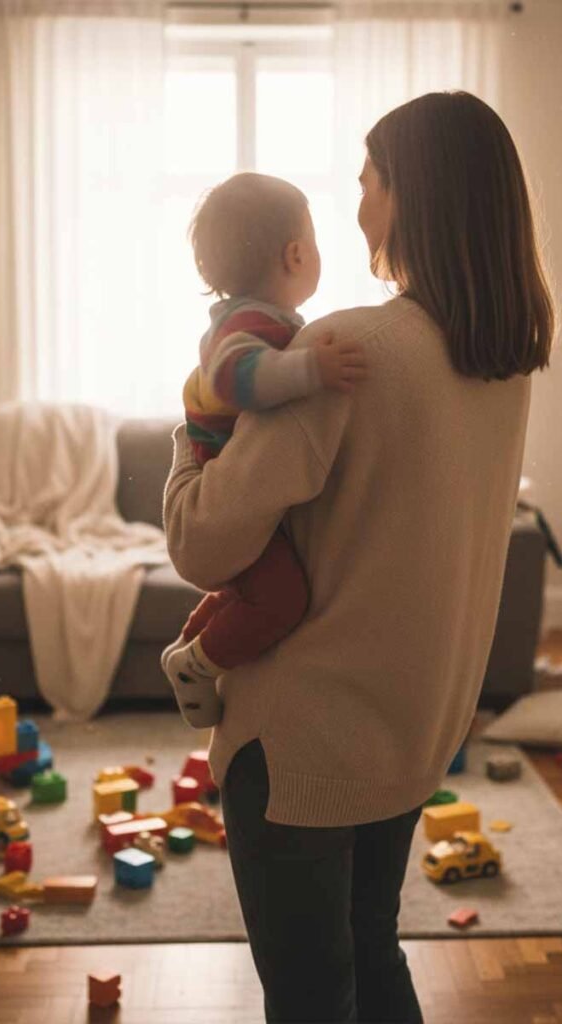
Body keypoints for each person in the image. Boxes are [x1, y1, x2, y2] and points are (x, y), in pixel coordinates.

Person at [163, 90, 555, 1023]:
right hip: (412, 728)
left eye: (369, 179)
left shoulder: (352, 350)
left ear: (412, 195)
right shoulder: (502, 363)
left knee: (308, 994)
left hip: (306, 739)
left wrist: (189, 430)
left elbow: (201, 540)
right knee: (370, 955)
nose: (356, 202)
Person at [160, 172, 368, 728]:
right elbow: (234, 377)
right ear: (297, 255)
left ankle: (194, 641)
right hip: (222, 482)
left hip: (240, 487)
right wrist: (311, 369)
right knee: (281, 600)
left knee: (260, 585)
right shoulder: (248, 323)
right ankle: (197, 666)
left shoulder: (253, 318)